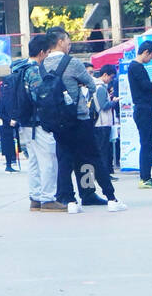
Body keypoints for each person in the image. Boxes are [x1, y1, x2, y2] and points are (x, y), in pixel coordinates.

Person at [44, 27, 126, 214]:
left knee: (64, 160)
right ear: (60, 42)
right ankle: (110, 197)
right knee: (92, 158)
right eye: (68, 41)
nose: (69, 45)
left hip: (57, 122)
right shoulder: (72, 63)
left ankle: (70, 200)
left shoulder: (41, 66)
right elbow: (91, 84)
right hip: (79, 119)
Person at [19, 35, 61, 211]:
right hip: (38, 123)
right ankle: (48, 198)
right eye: (48, 52)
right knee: (49, 160)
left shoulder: (19, 68)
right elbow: (40, 97)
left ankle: (35, 197)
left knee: (34, 161)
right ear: (42, 52)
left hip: (25, 123)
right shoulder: (34, 71)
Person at [127, 40, 152, 188]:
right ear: (145, 52)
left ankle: (146, 177)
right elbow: (144, 85)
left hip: (145, 109)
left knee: (149, 143)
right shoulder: (136, 67)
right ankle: (145, 178)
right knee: (147, 143)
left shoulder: (137, 67)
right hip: (144, 110)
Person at [92, 68, 116, 178]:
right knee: (103, 150)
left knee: (102, 149)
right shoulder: (100, 88)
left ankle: (102, 174)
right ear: (105, 75)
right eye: (111, 77)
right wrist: (114, 102)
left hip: (100, 123)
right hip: (102, 123)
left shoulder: (96, 87)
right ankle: (103, 174)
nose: (111, 80)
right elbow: (104, 106)